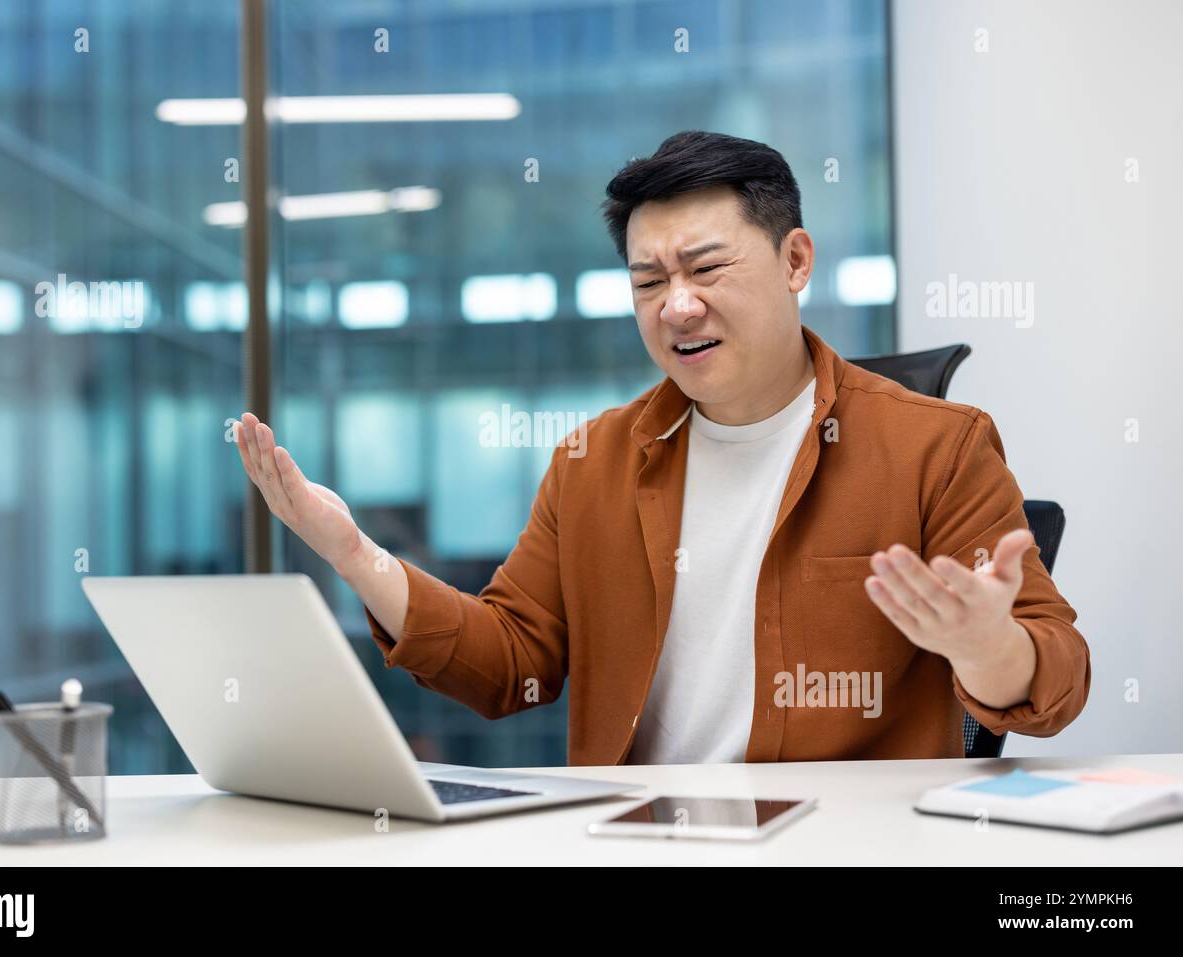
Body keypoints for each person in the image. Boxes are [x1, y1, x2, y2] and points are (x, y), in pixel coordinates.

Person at [233, 130, 1090, 765]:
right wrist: (353, 553)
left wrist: (986, 647)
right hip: (632, 842)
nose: (676, 305)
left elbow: (1058, 678)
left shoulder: (936, 446)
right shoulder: (590, 462)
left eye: (706, 269)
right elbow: (510, 664)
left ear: (795, 261)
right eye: (648, 282)